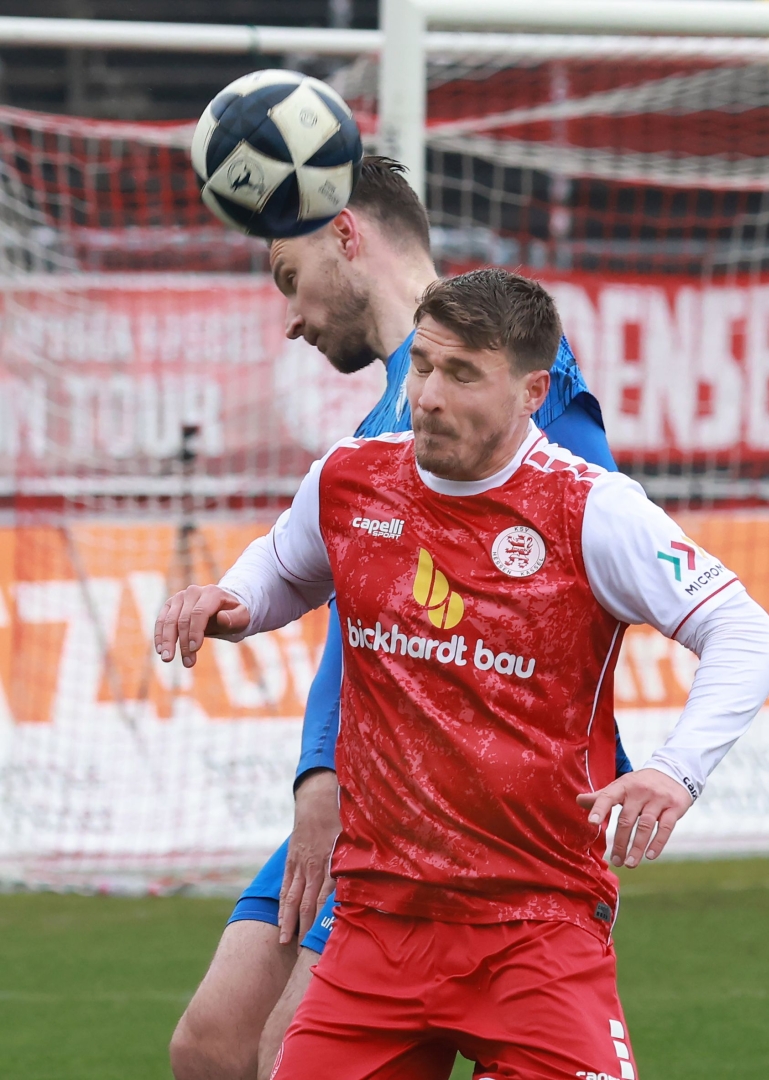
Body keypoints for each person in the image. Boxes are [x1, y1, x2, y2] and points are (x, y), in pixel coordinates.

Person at [157, 269, 769, 1080]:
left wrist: (675, 770)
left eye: (461, 375)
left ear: (531, 391)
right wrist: (235, 600)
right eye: (422, 365)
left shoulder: (590, 509)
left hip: (536, 928)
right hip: (377, 927)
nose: (427, 396)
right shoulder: (351, 481)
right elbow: (282, 563)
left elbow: (745, 633)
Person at [168, 158, 630, 1080]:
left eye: (289, 281)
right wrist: (316, 765)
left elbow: (555, 580)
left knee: (275, 1053)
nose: (290, 317)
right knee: (211, 1046)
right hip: (367, 782)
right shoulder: (384, 419)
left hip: (462, 814)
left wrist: (335, 778)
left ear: (346, 234)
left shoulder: (522, 389)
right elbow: (339, 598)